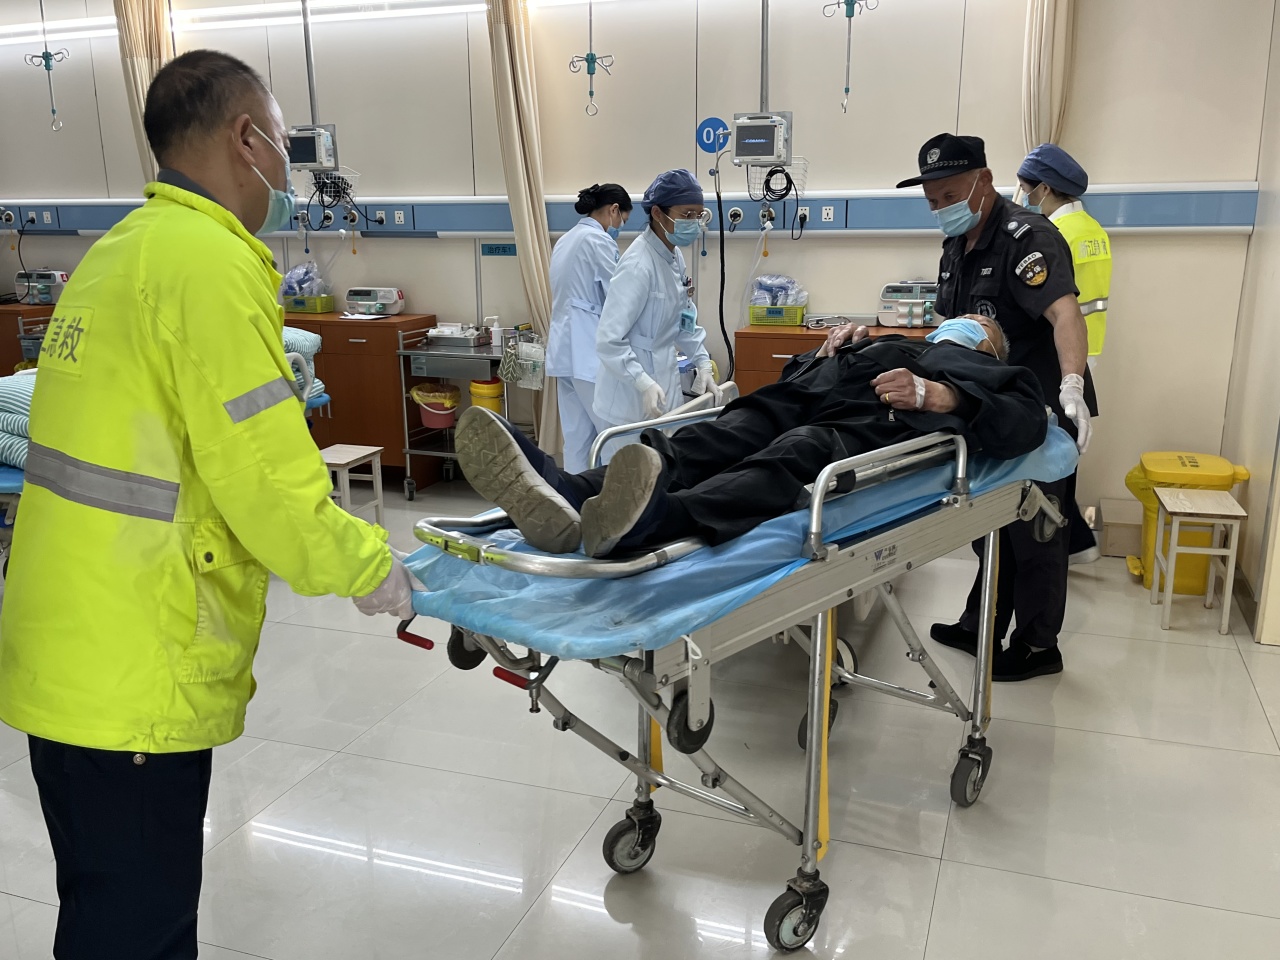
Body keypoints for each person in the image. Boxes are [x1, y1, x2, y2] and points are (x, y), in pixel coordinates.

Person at [0, 50, 417, 960]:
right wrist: (370, 567)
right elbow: (267, 479)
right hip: (135, 665)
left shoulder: (119, 252)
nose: (287, 171)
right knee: (137, 933)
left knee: (104, 912)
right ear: (246, 138)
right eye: (284, 144)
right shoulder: (211, 266)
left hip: (67, 651)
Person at [823, 133, 1096, 682]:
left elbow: (1065, 313)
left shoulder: (1027, 237)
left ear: (984, 181)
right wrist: (881, 345)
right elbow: (951, 332)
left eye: (950, 195)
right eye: (933, 201)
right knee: (991, 523)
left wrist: (1071, 382)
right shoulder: (956, 246)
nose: (942, 208)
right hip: (987, 404)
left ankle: (1038, 645)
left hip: (1040, 403)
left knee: (1037, 529)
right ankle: (982, 622)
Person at [455, 317, 1047, 558]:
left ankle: (655, 520)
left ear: (986, 345)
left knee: (791, 457)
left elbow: (1027, 421)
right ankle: (570, 489)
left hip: (870, 425)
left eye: (974, 324)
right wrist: (823, 356)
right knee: (716, 434)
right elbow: (793, 381)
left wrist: (945, 397)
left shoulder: (982, 369)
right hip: (804, 396)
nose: (958, 324)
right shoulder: (891, 341)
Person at [1018, 143, 1113, 564]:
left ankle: (1059, 548)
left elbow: (1051, 305)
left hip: (1057, 359)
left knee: (1046, 460)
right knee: (1065, 453)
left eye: (1025, 189)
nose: (1022, 197)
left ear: (1044, 189)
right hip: (1086, 357)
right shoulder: (1093, 229)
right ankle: (1075, 544)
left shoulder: (1052, 236)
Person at [592, 168, 722, 433]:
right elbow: (609, 340)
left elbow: (684, 319)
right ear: (657, 213)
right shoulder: (638, 265)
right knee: (631, 460)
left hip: (663, 382)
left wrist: (702, 363)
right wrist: (642, 383)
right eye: (686, 214)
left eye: (698, 215)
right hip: (628, 398)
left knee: (664, 455)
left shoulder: (674, 257)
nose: (694, 222)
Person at [548, 182, 632, 472]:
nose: (619, 227)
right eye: (622, 220)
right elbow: (618, 298)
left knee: (577, 439)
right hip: (588, 354)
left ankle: (576, 496)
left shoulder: (565, 240)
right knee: (610, 436)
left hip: (563, 351)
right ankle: (611, 497)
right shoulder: (598, 241)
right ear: (613, 210)